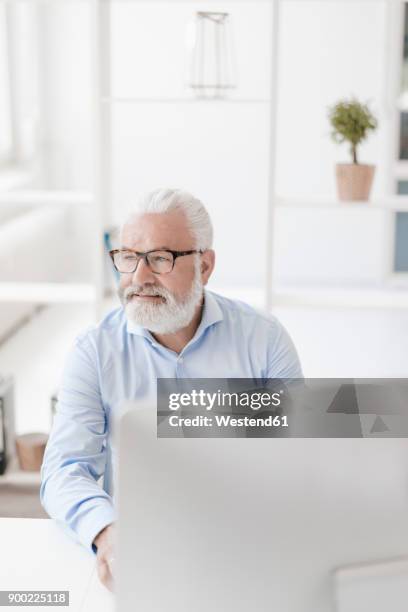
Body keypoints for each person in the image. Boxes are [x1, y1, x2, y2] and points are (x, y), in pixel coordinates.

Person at [40, 188, 302, 591]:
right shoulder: (94, 351)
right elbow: (63, 470)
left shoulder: (264, 340)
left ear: (205, 264)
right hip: (143, 554)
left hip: (247, 550)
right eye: (127, 257)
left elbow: (297, 454)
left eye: (160, 259)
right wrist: (107, 532)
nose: (139, 278)